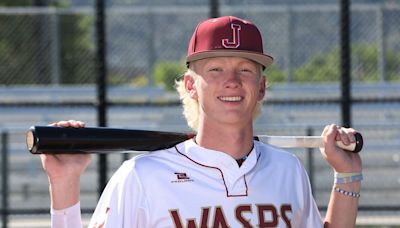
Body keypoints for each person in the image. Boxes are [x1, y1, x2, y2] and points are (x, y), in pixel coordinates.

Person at [40, 16, 362, 228]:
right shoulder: (141, 176)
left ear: (261, 88)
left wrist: (347, 175)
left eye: (245, 70)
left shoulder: (287, 169)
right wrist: (65, 181)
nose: (232, 80)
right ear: (191, 86)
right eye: (215, 70)